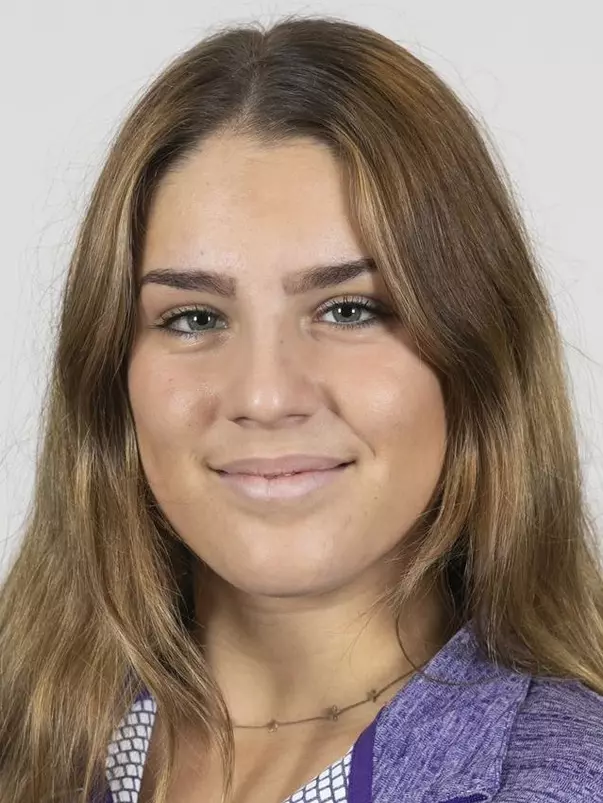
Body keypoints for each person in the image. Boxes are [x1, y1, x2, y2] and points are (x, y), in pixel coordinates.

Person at [1, 14, 602, 803]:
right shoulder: (25, 721)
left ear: (476, 361)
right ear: (112, 373)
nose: (264, 394)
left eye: (348, 309)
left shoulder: (560, 779)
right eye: (194, 318)